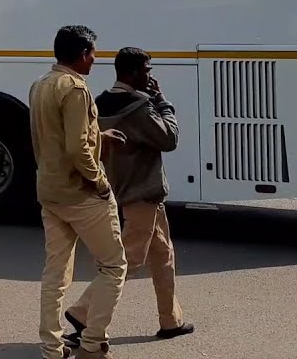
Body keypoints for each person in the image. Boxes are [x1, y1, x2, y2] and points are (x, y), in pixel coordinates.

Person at [64, 47, 195, 346]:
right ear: (133, 73)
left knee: (163, 256)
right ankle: (82, 313)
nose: (151, 76)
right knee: (127, 260)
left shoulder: (100, 102)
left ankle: (170, 320)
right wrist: (162, 101)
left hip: (123, 189)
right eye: (147, 71)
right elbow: (169, 138)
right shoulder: (139, 106)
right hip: (142, 193)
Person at [30, 25, 127, 359]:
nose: (95, 61)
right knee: (114, 266)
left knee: (55, 274)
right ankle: (92, 343)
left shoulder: (41, 84)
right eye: (93, 54)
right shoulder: (75, 89)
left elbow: (57, 137)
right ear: (83, 54)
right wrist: (100, 181)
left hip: (50, 192)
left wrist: (100, 135)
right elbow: (76, 148)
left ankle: (51, 348)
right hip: (81, 194)